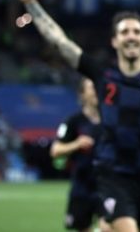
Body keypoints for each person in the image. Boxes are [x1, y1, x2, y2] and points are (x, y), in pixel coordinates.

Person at [7, 0, 140, 232]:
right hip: (113, 173)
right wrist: (31, 4)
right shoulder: (102, 74)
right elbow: (60, 42)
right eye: (124, 32)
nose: (131, 37)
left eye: (136, 32)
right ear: (114, 41)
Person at [50, 77, 109, 232]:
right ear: (82, 94)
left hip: (108, 185)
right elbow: (55, 150)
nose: (96, 91)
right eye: (92, 87)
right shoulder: (74, 121)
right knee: (82, 227)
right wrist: (76, 143)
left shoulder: (110, 119)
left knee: (110, 226)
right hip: (82, 186)